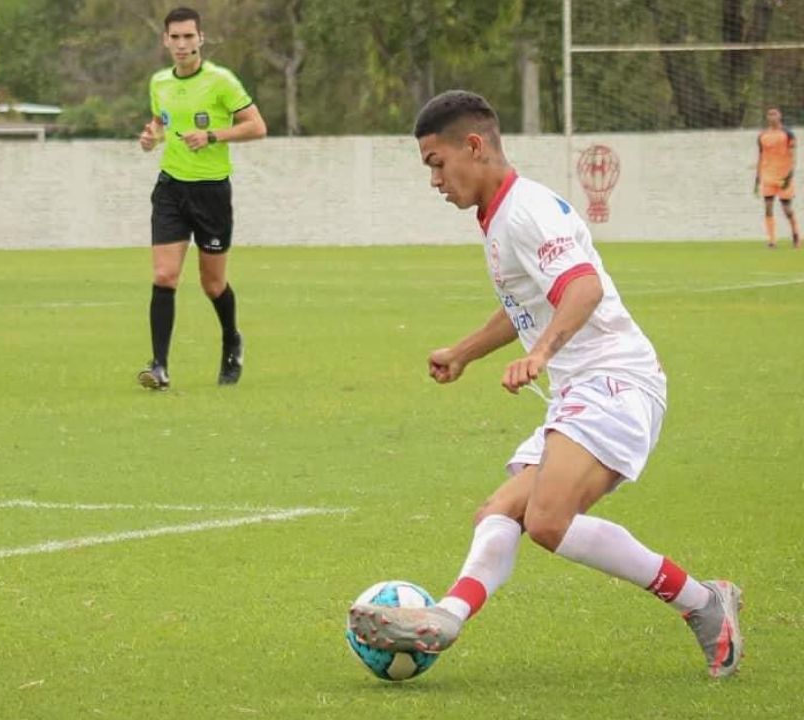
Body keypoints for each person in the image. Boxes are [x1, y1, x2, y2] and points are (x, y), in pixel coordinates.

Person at [347, 90, 743, 679]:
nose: (434, 181)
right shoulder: (499, 216)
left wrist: (541, 352)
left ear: (473, 146)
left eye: (436, 163)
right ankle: (446, 618)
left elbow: (582, 289)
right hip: (584, 387)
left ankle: (704, 603)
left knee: (548, 521)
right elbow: (528, 303)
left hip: (615, 379)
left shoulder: (526, 210)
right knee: (501, 510)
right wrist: (465, 352)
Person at [136, 6, 266, 390]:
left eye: (188, 37)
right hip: (170, 189)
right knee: (164, 275)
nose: (181, 44)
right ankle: (159, 366)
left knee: (212, 284)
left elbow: (257, 126)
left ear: (200, 39)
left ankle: (232, 340)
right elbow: (161, 124)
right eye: (174, 37)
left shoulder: (221, 81)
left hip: (211, 192)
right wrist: (151, 138)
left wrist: (212, 136)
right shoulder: (159, 82)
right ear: (165, 40)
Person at [755, 107, 798, 249]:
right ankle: (772, 241)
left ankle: (796, 235)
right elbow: (761, 157)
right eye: (769, 114)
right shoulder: (762, 135)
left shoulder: (788, 133)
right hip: (768, 176)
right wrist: (757, 178)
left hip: (784, 176)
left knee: (787, 210)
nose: (772, 116)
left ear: (780, 116)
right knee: (768, 207)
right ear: (767, 117)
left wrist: (790, 175)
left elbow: (793, 156)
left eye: (775, 114)